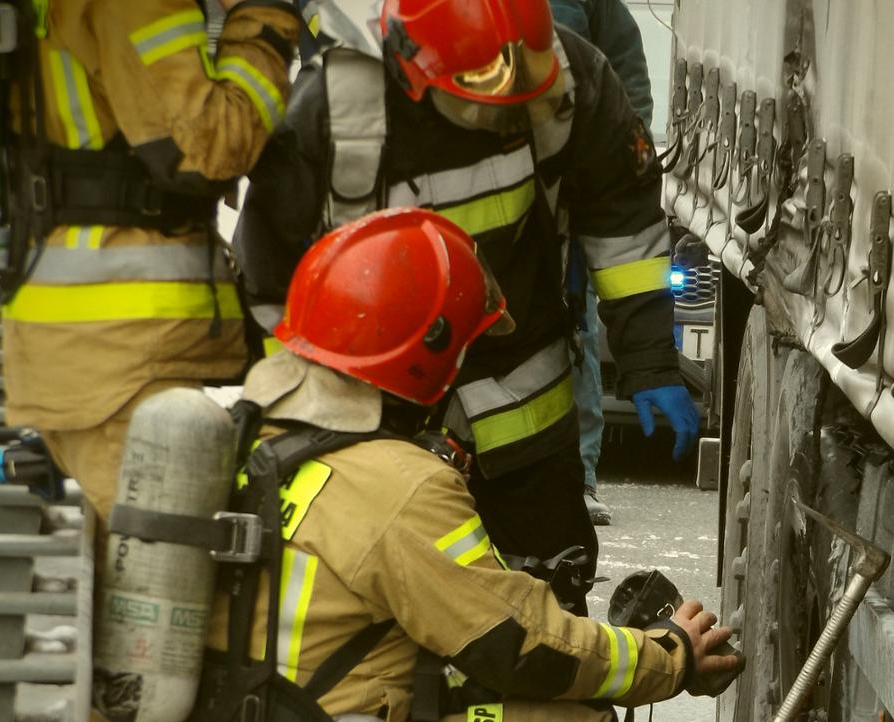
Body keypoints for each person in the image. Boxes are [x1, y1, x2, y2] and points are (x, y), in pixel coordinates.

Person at [184, 207, 736, 722]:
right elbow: (522, 646)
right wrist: (671, 654)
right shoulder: (399, 484)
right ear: (426, 357)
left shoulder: (248, 442)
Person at [236, 0, 699, 613]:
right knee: (379, 606)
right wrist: (300, 421)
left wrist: (650, 359)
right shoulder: (338, 114)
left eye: (524, 80)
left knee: (547, 608)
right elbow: (271, 285)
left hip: (525, 407)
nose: (509, 104)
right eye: (486, 90)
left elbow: (624, 222)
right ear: (415, 68)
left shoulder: (564, 77)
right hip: (371, 415)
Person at [0, 0, 301, 523]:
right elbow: (209, 148)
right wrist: (264, 20)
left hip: (95, 344)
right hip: (126, 351)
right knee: (167, 562)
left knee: (141, 556)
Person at [548, 0, 657, 527]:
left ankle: (579, 478)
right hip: (492, 197)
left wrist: (611, 166)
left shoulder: (595, 9)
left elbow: (627, 85)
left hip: (567, 206)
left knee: (575, 335)